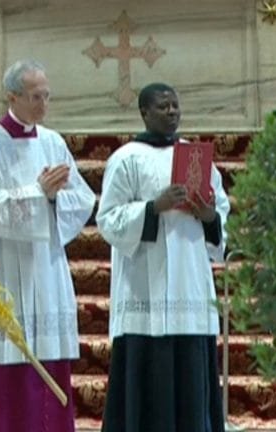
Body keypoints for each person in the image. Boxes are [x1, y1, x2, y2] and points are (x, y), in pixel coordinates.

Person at [0, 59, 96, 432]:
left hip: (45, 270)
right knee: (7, 372)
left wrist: (52, 200)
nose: (42, 104)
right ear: (12, 96)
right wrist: (38, 194)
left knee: (47, 365)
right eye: (35, 96)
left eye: (47, 96)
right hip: (3, 270)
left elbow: (81, 199)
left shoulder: (53, 142)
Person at [96, 83, 230, 432]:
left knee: (192, 389)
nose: (172, 112)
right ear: (144, 112)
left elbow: (221, 214)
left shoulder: (198, 158)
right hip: (146, 287)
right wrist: (154, 208)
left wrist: (209, 216)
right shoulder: (126, 159)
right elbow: (108, 220)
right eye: (163, 106)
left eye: (175, 105)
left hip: (190, 285)